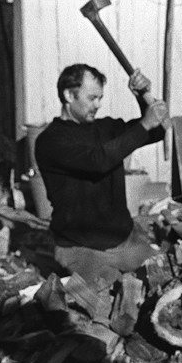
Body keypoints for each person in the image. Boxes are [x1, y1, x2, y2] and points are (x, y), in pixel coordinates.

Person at [35, 64, 169, 304]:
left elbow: (156, 131)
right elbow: (98, 160)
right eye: (92, 98)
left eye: (100, 98)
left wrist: (142, 97)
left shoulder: (105, 127)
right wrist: (145, 123)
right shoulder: (50, 140)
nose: (97, 105)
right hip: (81, 248)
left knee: (166, 279)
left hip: (124, 240)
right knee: (103, 305)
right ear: (68, 95)